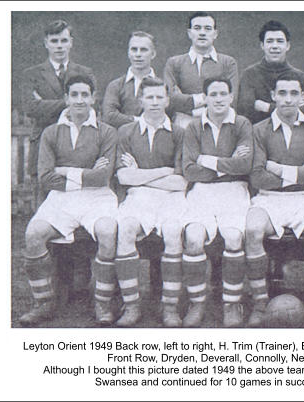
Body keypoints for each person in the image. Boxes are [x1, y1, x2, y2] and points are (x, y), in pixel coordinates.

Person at [19, 75, 118, 326]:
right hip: (61, 198)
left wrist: (64, 170)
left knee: (107, 231)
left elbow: (102, 177)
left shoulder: (107, 132)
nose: (79, 100)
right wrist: (85, 174)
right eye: (74, 95)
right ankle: (44, 302)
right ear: (65, 99)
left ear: (93, 98)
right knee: (33, 234)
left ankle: (102, 302)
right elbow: (45, 178)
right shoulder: (51, 133)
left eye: (85, 95)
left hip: (98, 198)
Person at [246, 71, 304, 327]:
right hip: (269, 198)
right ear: (273, 96)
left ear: (303, 98)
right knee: (251, 230)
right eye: (282, 93)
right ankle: (260, 304)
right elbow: (257, 177)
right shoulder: (258, 129)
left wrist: (278, 169)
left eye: (294, 93)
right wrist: (299, 172)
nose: (288, 99)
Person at [113, 77, 187, 327]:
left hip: (172, 197)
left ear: (167, 100)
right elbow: (123, 177)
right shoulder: (126, 132)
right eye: (149, 97)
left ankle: (170, 307)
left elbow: (181, 182)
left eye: (159, 97)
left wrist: (141, 176)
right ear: (140, 100)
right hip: (138, 197)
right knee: (125, 229)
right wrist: (163, 171)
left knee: (174, 231)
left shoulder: (180, 133)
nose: (154, 102)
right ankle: (131, 305)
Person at [182, 77, 253, 328]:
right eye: (213, 94)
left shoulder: (242, 124)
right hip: (201, 191)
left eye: (224, 93)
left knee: (234, 238)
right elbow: (189, 171)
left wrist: (206, 160)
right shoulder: (193, 126)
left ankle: (232, 303)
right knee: (193, 238)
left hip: (234, 190)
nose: (219, 98)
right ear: (206, 98)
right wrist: (227, 164)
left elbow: (245, 166)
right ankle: (197, 302)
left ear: (231, 97)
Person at [21, 20, 97, 202]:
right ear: (46, 43)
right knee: (44, 198)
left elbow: (91, 105)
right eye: (54, 41)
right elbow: (30, 107)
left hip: (77, 141)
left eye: (64, 41)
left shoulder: (85, 73)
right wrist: (71, 103)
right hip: (42, 141)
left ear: (71, 42)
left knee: (77, 195)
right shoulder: (31, 74)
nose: (59, 46)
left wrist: (45, 103)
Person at [164, 12, 239, 129]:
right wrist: (206, 99)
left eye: (208, 28)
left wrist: (191, 109)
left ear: (215, 34)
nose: (202, 33)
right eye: (197, 28)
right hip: (183, 126)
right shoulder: (174, 63)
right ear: (189, 33)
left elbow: (231, 99)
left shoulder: (228, 63)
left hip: (218, 125)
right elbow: (169, 99)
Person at [238, 20, 304, 124]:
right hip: (257, 134)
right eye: (270, 41)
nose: (275, 46)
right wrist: (288, 108)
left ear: (287, 45)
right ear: (262, 45)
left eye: (280, 41)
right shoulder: (249, 75)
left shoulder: (299, 76)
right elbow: (246, 108)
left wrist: (266, 107)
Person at [102, 31, 158, 129]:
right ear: (128, 53)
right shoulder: (116, 85)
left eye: (143, 50)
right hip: (122, 141)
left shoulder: (162, 87)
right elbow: (109, 116)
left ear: (153, 54)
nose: (138, 54)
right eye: (134, 49)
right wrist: (139, 121)